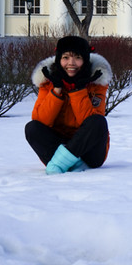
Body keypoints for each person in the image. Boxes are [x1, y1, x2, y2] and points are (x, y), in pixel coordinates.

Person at [25, 36, 111, 174]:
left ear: (85, 60)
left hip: (89, 151)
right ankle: (75, 164)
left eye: (77, 57)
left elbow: (91, 123)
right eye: (65, 57)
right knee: (32, 128)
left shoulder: (96, 82)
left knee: (98, 121)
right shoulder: (48, 82)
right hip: (57, 144)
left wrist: (79, 89)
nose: (71, 63)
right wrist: (57, 89)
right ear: (59, 60)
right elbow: (41, 121)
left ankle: (60, 164)